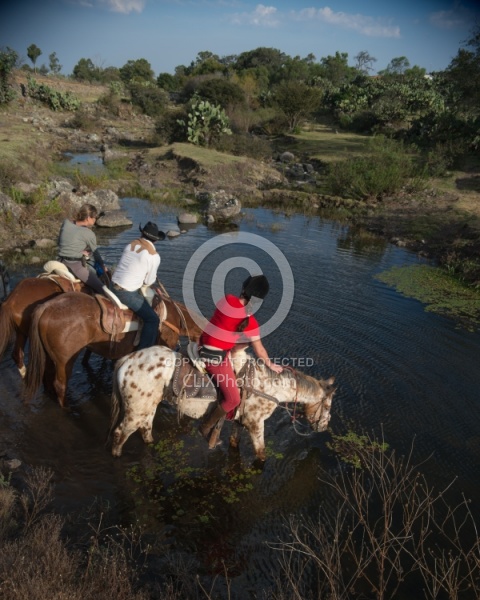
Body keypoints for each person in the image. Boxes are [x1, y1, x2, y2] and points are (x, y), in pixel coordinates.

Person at [198, 274, 283, 447]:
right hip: (214, 357)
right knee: (233, 400)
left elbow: (226, 325)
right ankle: (205, 428)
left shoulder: (226, 299)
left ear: (244, 288)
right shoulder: (251, 322)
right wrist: (270, 364)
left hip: (202, 343)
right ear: (258, 300)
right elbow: (259, 350)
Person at [111, 222, 165, 350]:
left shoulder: (130, 244)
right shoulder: (154, 256)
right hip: (125, 292)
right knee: (153, 320)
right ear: (156, 240)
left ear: (142, 234)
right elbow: (148, 282)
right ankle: (143, 352)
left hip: (111, 284)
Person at [57, 203, 111, 297]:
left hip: (59, 260)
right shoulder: (88, 233)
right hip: (74, 265)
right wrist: (103, 266)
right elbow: (96, 254)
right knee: (103, 289)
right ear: (88, 218)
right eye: (94, 218)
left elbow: (61, 242)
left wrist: (78, 251)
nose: (95, 220)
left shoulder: (66, 223)